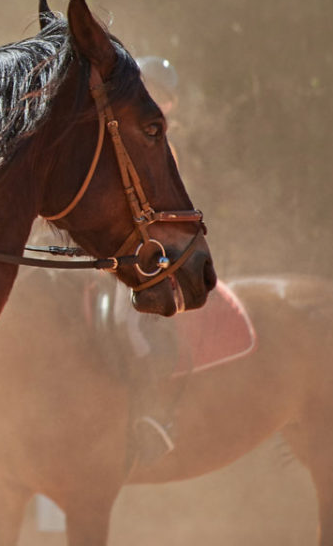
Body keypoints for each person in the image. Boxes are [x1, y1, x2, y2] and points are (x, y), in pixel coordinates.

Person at [117, 55, 184, 465]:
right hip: (110, 244)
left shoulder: (161, 146)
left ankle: (148, 416)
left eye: (164, 98)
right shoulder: (114, 137)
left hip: (146, 251)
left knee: (135, 324)